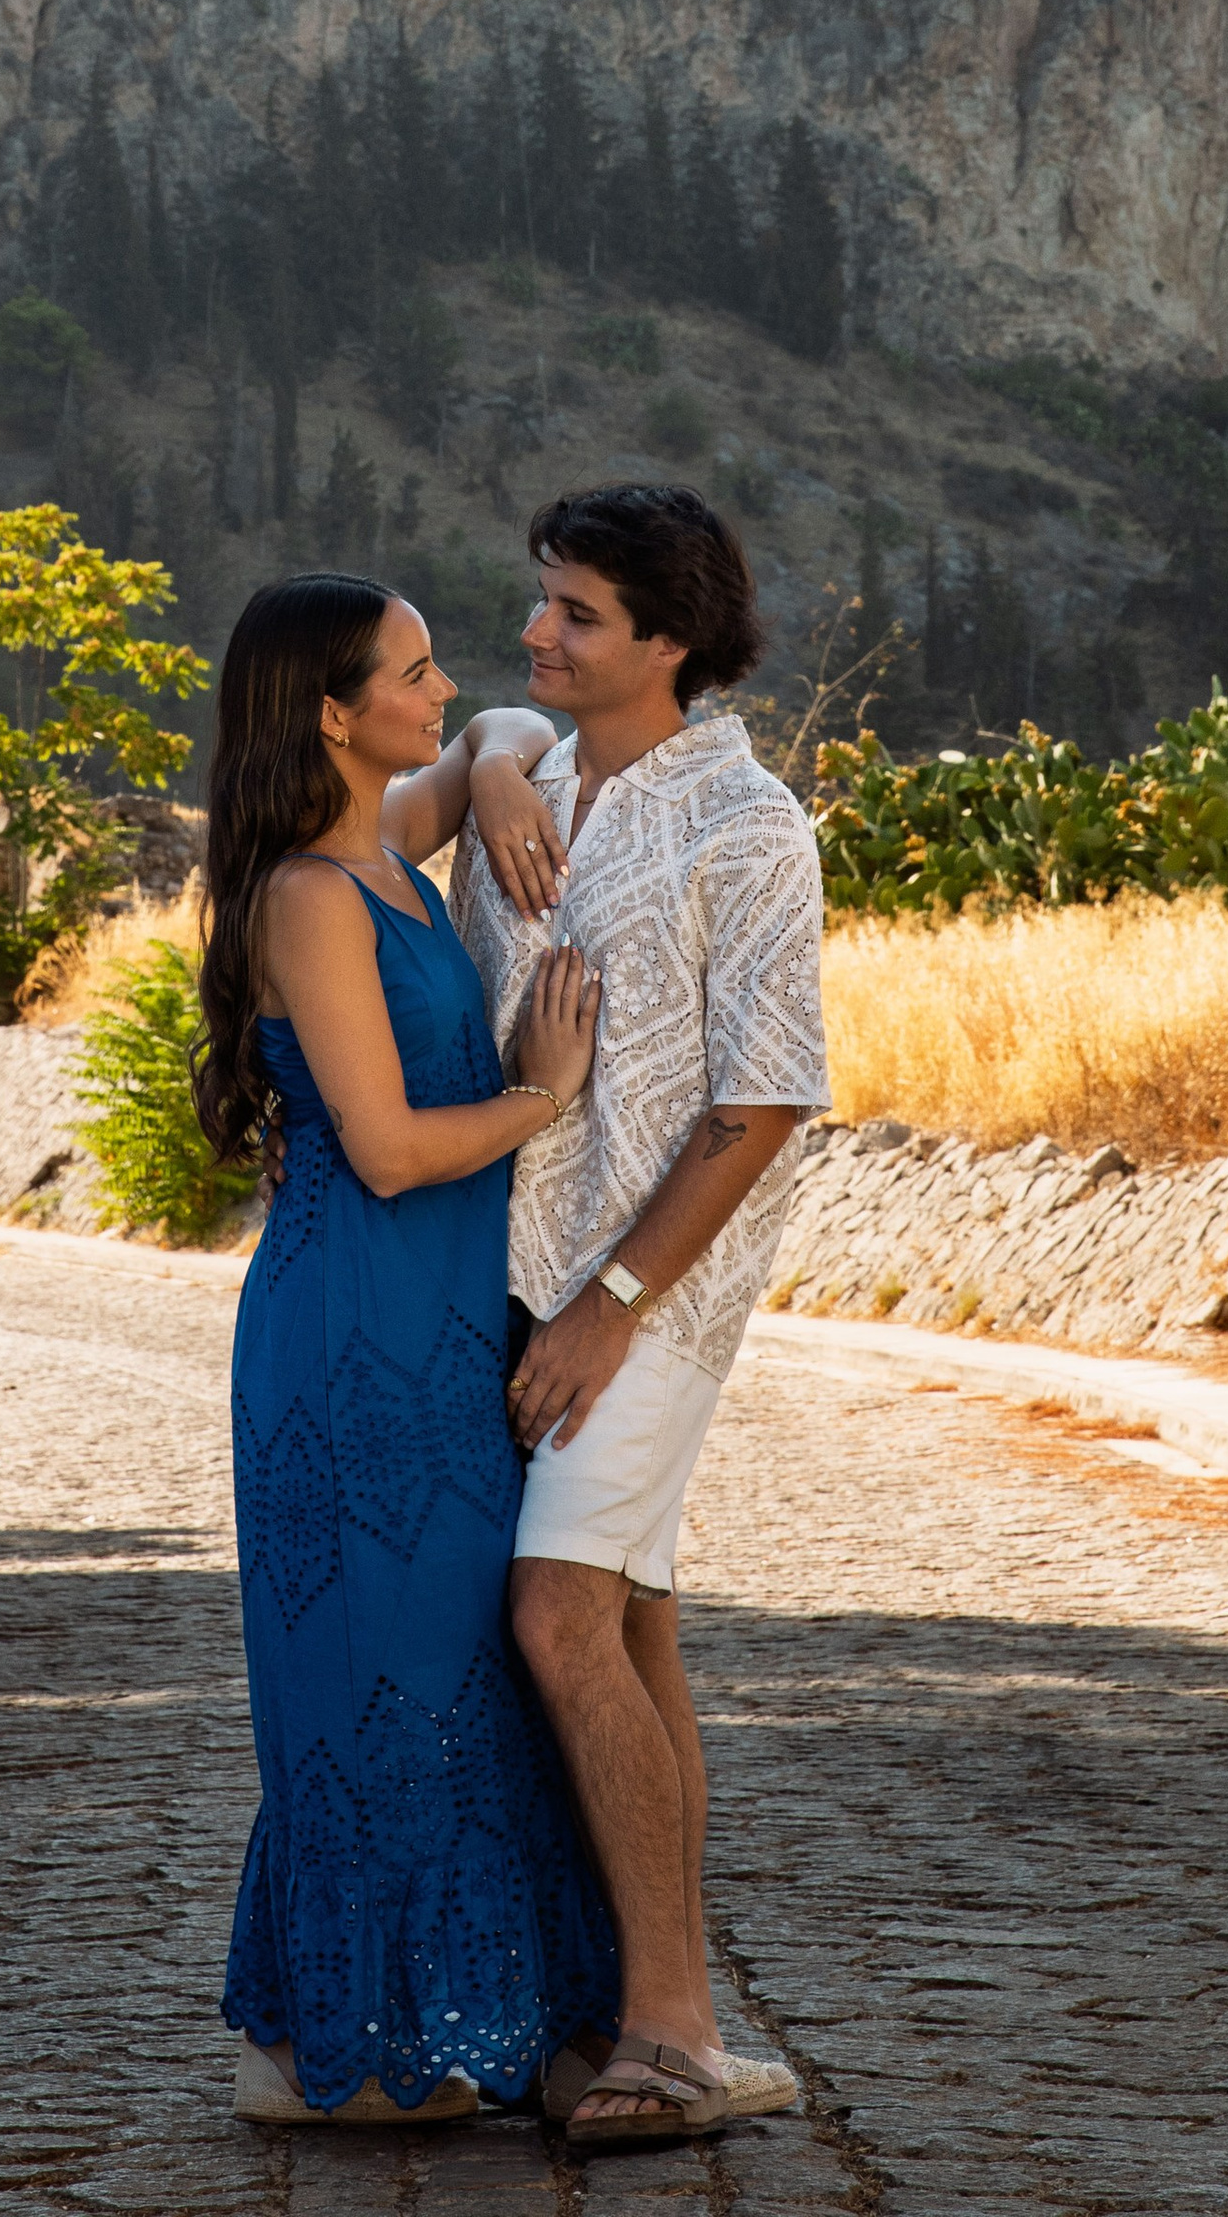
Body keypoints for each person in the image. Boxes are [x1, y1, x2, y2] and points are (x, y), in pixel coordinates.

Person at [193, 573, 622, 2125]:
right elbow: (378, 1148)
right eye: (415, 673)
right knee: (380, 1673)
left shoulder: (388, 839)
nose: (444, 691)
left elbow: (514, 723)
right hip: (347, 1330)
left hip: (438, 1326)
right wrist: (544, 1095)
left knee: (458, 1670)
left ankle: (439, 2024)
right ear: (332, 707)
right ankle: (337, 2051)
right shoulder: (310, 893)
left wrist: (500, 763)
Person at [447, 484, 828, 2153]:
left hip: (650, 1301)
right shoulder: (533, 766)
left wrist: (609, 1308)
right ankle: (644, 2009)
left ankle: (671, 2033)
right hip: (516, 1282)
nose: (540, 631)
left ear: (668, 639)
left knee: (555, 1618)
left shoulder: (751, 830)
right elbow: (486, 718)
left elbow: (761, 1104)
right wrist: (484, 765)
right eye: (543, 600)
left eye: (578, 611)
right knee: (638, 1627)